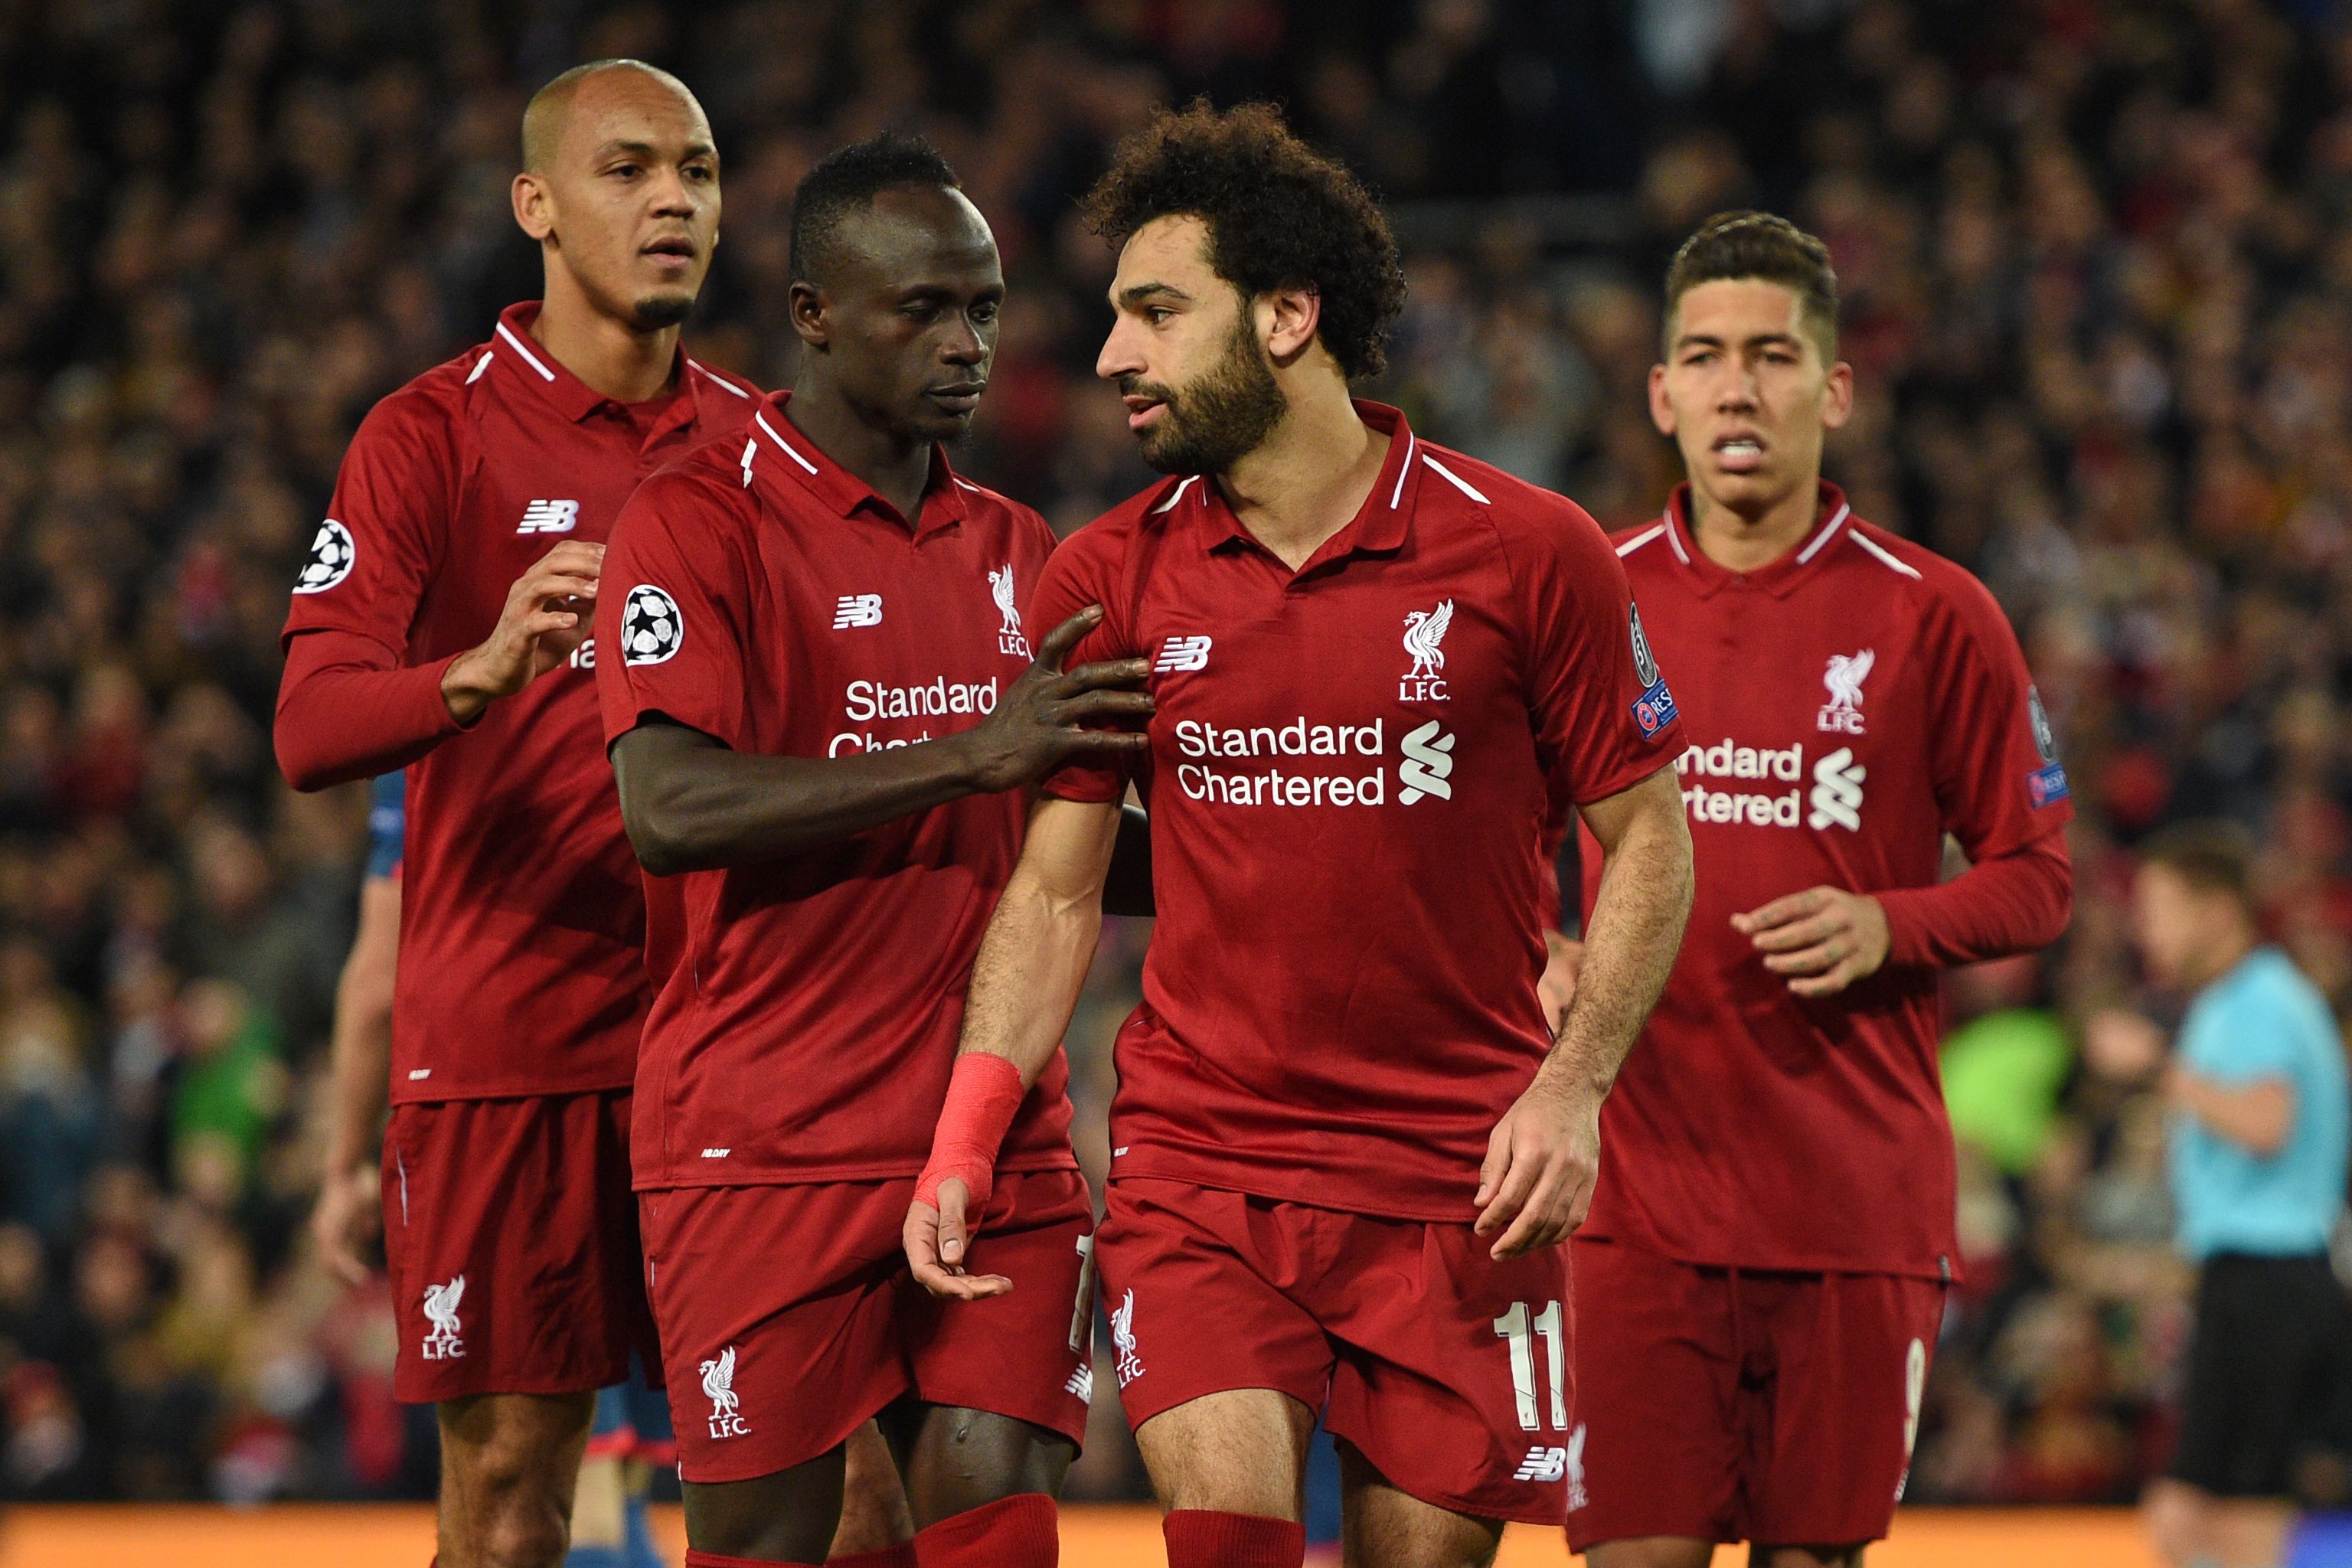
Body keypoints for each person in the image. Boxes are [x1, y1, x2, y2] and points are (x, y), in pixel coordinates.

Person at [902, 102, 1695, 1568]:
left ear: (1284, 315)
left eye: (1154, 311)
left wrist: (1576, 1088)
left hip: (1460, 1182)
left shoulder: (1529, 552)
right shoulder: (1109, 576)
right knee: (1226, 1545)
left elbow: (1648, 837)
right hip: (1206, 1163)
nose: (1111, 356)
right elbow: (1057, 891)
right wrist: (966, 1128)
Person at [594, 133, 1152, 1568]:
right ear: (815, 315)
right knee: (768, 1543)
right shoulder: (694, 520)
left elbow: (1071, 843)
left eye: (984, 305)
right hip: (761, 1138)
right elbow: (669, 810)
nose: (969, 342)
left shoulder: (1024, 547)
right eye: (926, 309)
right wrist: (974, 754)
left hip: (995, 1133)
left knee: (994, 1520)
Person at [275, 60, 763, 1568]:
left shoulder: (762, 446)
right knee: (506, 1500)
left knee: (799, 1487)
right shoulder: (430, 437)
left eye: (695, 167)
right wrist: (476, 670)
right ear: (536, 205)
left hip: (735, 1048)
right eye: (629, 169)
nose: (675, 198)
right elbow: (308, 724)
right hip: (509, 1048)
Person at [1565, 211, 2076, 1568]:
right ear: (1660, 389)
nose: (1740, 386)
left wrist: (1888, 922)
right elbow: (1466, 839)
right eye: (1705, 355)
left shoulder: (1932, 612)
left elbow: (2040, 877)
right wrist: (1533, 956)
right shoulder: (1575, 595)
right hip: (1626, 1206)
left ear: (1833, 389)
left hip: (1848, 1208)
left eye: (1775, 355)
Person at [2133, 822, 2352, 1568]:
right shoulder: (2240, 1000)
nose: (2146, 929)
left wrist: (2163, 1069)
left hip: (2266, 1278)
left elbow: (2267, 1121)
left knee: (2206, 1514)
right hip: (2264, 1279)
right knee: (2221, 1516)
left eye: (2160, 907)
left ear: (2217, 909)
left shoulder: (2257, 997)